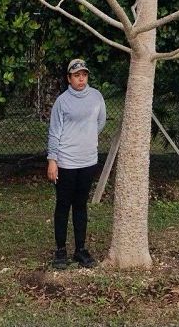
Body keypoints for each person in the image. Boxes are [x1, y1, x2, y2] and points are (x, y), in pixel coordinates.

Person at [47, 58, 107, 269]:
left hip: (88, 161)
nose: (81, 79)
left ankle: (80, 250)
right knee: (63, 205)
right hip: (65, 163)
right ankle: (61, 250)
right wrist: (53, 160)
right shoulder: (62, 102)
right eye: (76, 75)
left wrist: (87, 139)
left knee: (80, 206)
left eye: (84, 75)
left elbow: (100, 122)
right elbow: (54, 132)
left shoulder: (96, 97)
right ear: (69, 78)